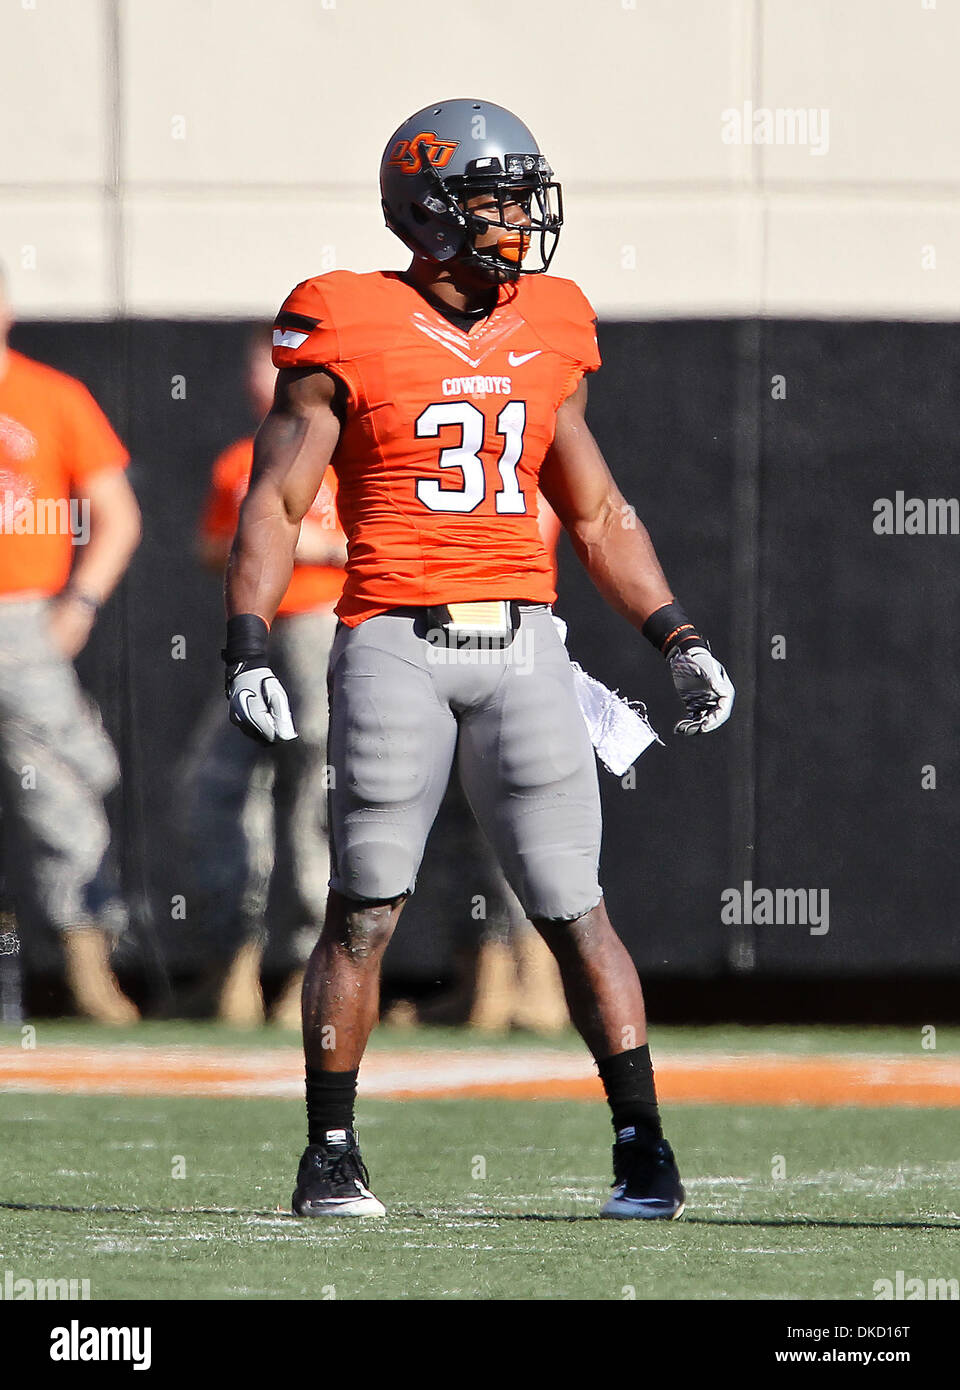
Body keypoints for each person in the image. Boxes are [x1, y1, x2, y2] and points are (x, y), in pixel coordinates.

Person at [222, 100, 734, 1219]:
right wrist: (247, 639)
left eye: (521, 194)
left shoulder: (553, 320)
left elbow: (595, 511)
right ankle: (332, 1151)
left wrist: (676, 632)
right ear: (429, 211)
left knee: (573, 902)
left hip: (525, 642)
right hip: (394, 637)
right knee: (364, 904)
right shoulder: (342, 315)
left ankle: (643, 1146)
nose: (517, 219)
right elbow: (277, 495)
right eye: (494, 196)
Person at [180, 327, 346, 1024]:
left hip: (317, 632)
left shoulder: (347, 458)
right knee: (213, 789)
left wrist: (306, 541)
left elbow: (363, 541)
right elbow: (212, 546)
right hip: (254, 636)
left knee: (315, 792)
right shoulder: (238, 459)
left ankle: (310, 978)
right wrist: (258, 535)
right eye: (261, 363)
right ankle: (233, 967)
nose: (268, 375)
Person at [0, 265, 141, 1022]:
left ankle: (88, 967)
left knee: (65, 785)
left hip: (21, 620)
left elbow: (117, 515)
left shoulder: (52, 396)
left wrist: (80, 603)